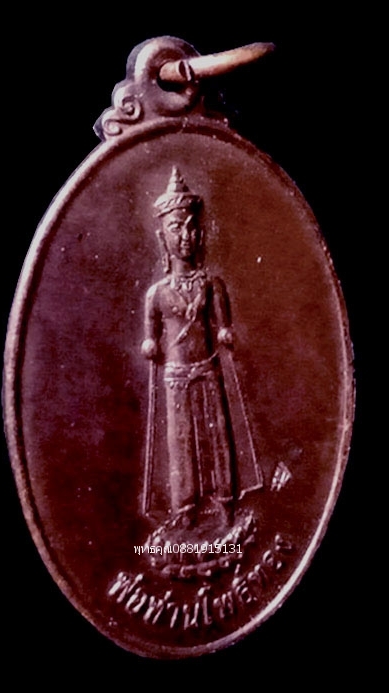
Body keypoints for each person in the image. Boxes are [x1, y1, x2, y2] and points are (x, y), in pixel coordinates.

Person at [141, 167, 262, 528]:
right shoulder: (157, 294)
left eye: (192, 228)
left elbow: (223, 325)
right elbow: (151, 334)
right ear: (162, 237)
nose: (186, 237)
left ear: (201, 233)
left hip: (208, 370)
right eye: (177, 228)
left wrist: (225, 335)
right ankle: (185, 509)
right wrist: (150, 343)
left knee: (217, 436)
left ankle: (224, 502)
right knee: (180, 442)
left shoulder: (212, 285)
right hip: (176, 377)